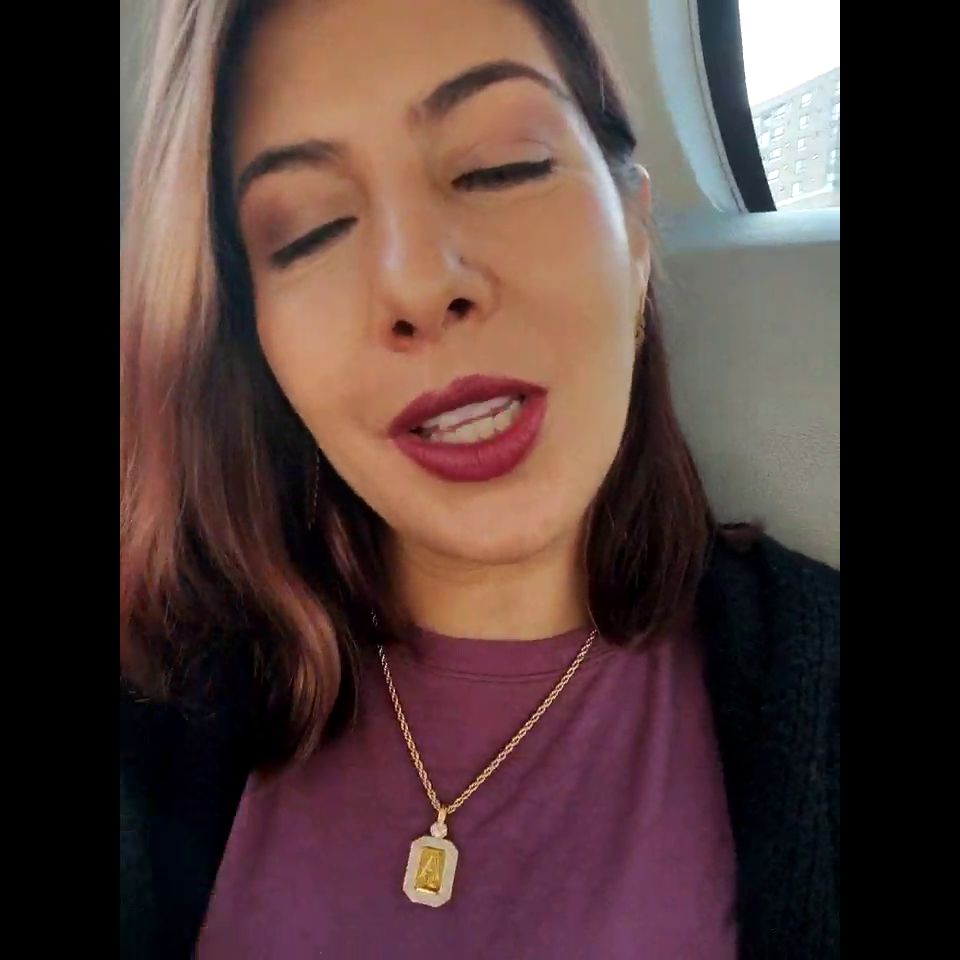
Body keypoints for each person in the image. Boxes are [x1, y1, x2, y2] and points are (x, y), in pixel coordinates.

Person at [119, 1, 839, 957]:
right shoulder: (157, 703)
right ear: (255, 342)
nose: (419, 285)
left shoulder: (817, 685)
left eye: (500, 167)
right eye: (309, 232)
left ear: (633, 229)